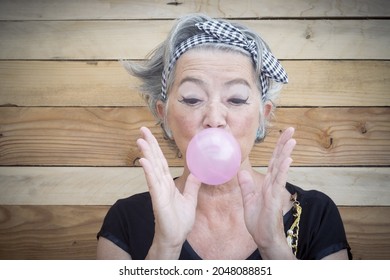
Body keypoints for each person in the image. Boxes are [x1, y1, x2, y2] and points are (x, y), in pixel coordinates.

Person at [96, 13, 351, 260]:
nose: (215, 118)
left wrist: (274, 247)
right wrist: (166, 248)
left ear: (263, 116)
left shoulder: (316, 214)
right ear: (165, 116)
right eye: (193, 98)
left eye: (237, 99)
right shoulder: (124, 220)